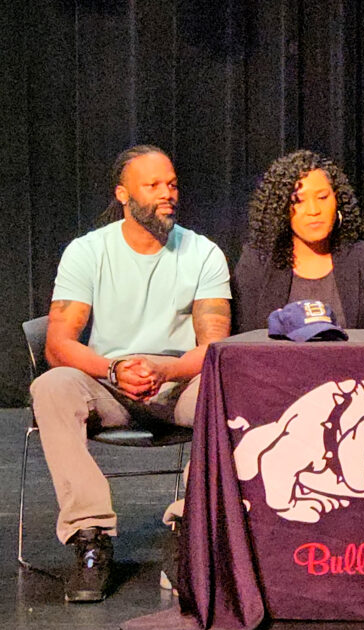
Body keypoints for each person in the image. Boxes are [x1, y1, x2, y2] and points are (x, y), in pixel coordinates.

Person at [30, 144, 231, 602]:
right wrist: (114, 368)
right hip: (108, 384)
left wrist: (166, 368)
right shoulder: (87, 252)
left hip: (177, 382)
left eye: (172, 184)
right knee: (52, 386)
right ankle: (90, 538)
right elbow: (59, 345)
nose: (168, 194)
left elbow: (214, 346)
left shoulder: (203, 253)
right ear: (123, 194)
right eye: (154, 185)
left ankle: (189, 530)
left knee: (225, 389)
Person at [234, 150, 364, 332]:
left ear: (338, 200)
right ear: (280, 209)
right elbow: (244, 343)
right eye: (298, 201)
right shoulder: (257, 261)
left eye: (322, 197)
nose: (313, 210)